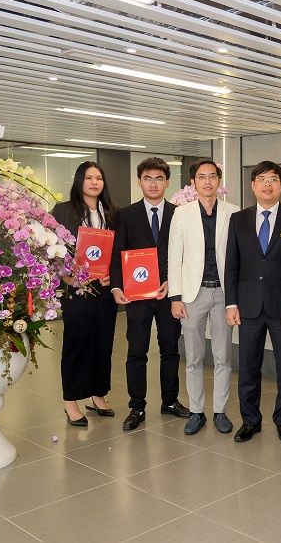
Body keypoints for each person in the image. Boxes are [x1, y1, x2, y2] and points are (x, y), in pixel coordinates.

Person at [225, 160, 281, 443]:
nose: (267, 184)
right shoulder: (238, 220)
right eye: (261, 179)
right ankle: (250, 420)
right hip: (248, 307)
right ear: (252, 186)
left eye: (273, 179)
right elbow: (232, 265)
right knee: (248, 367)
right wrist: (231, 303)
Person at [110, 157, 191, 431]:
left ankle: (170, 401)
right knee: (137, 351)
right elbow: (117, 253)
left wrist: (172, 281)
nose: (153, 184)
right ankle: (137, 406)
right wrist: (117, 286)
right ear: (139, 182)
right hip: (137, 297)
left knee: (170, 350)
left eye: (159, 178)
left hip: (169, 295)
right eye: (148, 178)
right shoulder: (124, 215)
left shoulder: (179, 213)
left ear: (167, 182)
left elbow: (184, 255)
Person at [168, 159, 239, 436]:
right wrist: (175, 297)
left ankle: (220, 411)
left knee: (223, 357)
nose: (207, 181)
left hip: (223, 293)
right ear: (193, 182)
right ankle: (196, 411)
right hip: (191, 294)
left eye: (212, 176)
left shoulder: (233, 213)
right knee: (194, 357)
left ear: (219, 181)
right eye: (201, 177)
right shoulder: (181, 214)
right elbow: (174, 258)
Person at [51, 161, 119, 427]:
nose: (94, 182)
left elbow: (119, 248)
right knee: (77, 343)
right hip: (76, 289)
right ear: (79, 181)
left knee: (103, 342)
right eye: (89, 178)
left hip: (103, 289)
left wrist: (113, 274)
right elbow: (51, 248)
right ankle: (71, 400)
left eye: (99, 178)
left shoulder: (112, 212)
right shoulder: (63, 211)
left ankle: (97, 394)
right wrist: (64, 275)